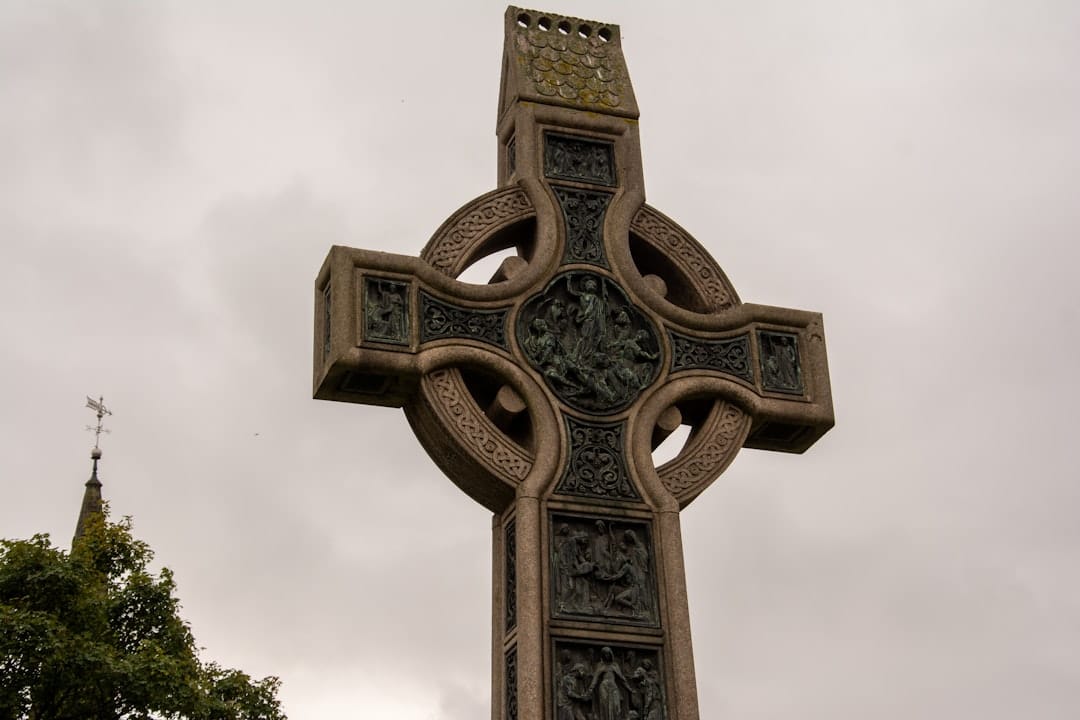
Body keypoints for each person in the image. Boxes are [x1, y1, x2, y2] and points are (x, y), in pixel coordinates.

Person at [588, 646, 631, 720]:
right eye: (605, 654)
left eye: (608, 654)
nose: (606, 656)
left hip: (613, 686)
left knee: (616, 706)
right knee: (604, 706)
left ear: (611, 654)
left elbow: (622, 678)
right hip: (604, 687)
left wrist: (629, 688)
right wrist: (591, 688)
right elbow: (595, 678)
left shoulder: (615, 665)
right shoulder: (600, 665)